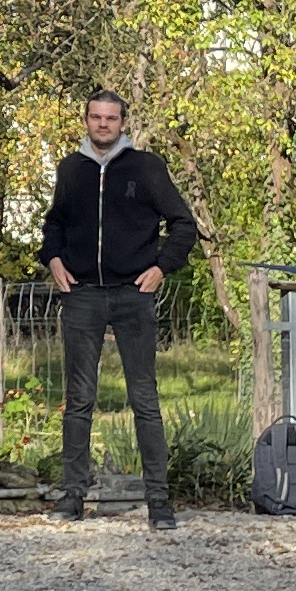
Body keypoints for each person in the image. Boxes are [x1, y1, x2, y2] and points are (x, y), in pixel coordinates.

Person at [38, 91, 198, 529]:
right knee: (78, 399)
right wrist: (53, 259)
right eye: (96, 117)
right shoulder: (71, 169)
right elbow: (54, 223)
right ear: (86, 120)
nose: (103, 124)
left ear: (123, 122)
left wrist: (162, 268)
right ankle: (73, 496)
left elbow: (184, 224)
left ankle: (159, 502)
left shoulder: (146, 168)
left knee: (144, 398)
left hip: (133, 294)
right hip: (82, 294)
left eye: (111, 118)